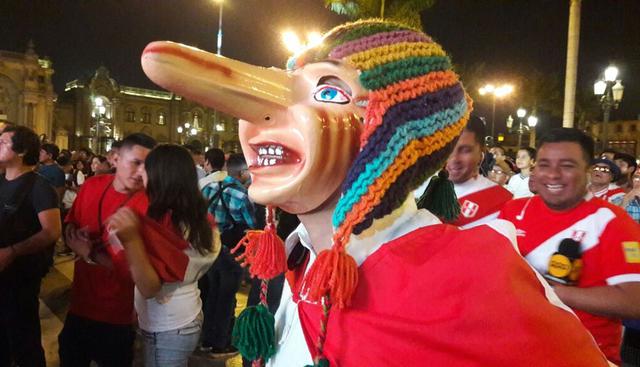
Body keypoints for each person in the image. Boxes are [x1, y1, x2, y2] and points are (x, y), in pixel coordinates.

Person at [142, 19, 609, 366]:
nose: (259, 118)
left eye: (328, 92)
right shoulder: (301, 253)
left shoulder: (471, 269)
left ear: (393, 139)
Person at [499, 128, 640, 364]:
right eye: (544, 165)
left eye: (566, 165)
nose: (553, 175)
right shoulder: (513, 211)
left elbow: (634, 302)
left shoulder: (614, 222)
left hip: (584, 356)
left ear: (587, 171)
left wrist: (553, 292)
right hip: (514, 350)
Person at [107, 144, 219, 366]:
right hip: (181, 318)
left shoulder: (164, 224)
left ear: (161, 174)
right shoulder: (195, 218)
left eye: (145, 168)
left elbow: (149, 286)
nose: (139, 172)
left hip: (169, 325)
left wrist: (131, 239)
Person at [59, 133, 157, 366]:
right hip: (79, 306)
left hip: (118, 314)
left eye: (148, 166)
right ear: (114, 158)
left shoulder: (150, 205)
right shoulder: (92, 185)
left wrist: (90, 253)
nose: (142, 172)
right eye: (136, 162)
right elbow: (70, 224)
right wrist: (74, 233)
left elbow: (140, 274)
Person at [0, 125, 61, 367]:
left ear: (23, 150)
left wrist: (12, 251)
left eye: (4, 142)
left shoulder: (39, 187)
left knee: (23, 337)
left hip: (20, 277)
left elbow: (51, 231)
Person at [199, 152, 256, 355]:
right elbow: (251, 227)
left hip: (210, 249)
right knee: (226, 297)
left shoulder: (209, 187)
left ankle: (206, 339)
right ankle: (220, 343)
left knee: (212, 293)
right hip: (231, 252)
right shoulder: (242, 195)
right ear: (242, 172)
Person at [444, 116, 513, 228]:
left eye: (465, 150)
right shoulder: (417, 192)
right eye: (447, 149)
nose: (454, 158)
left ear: (482, 152)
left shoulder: (502, 202)